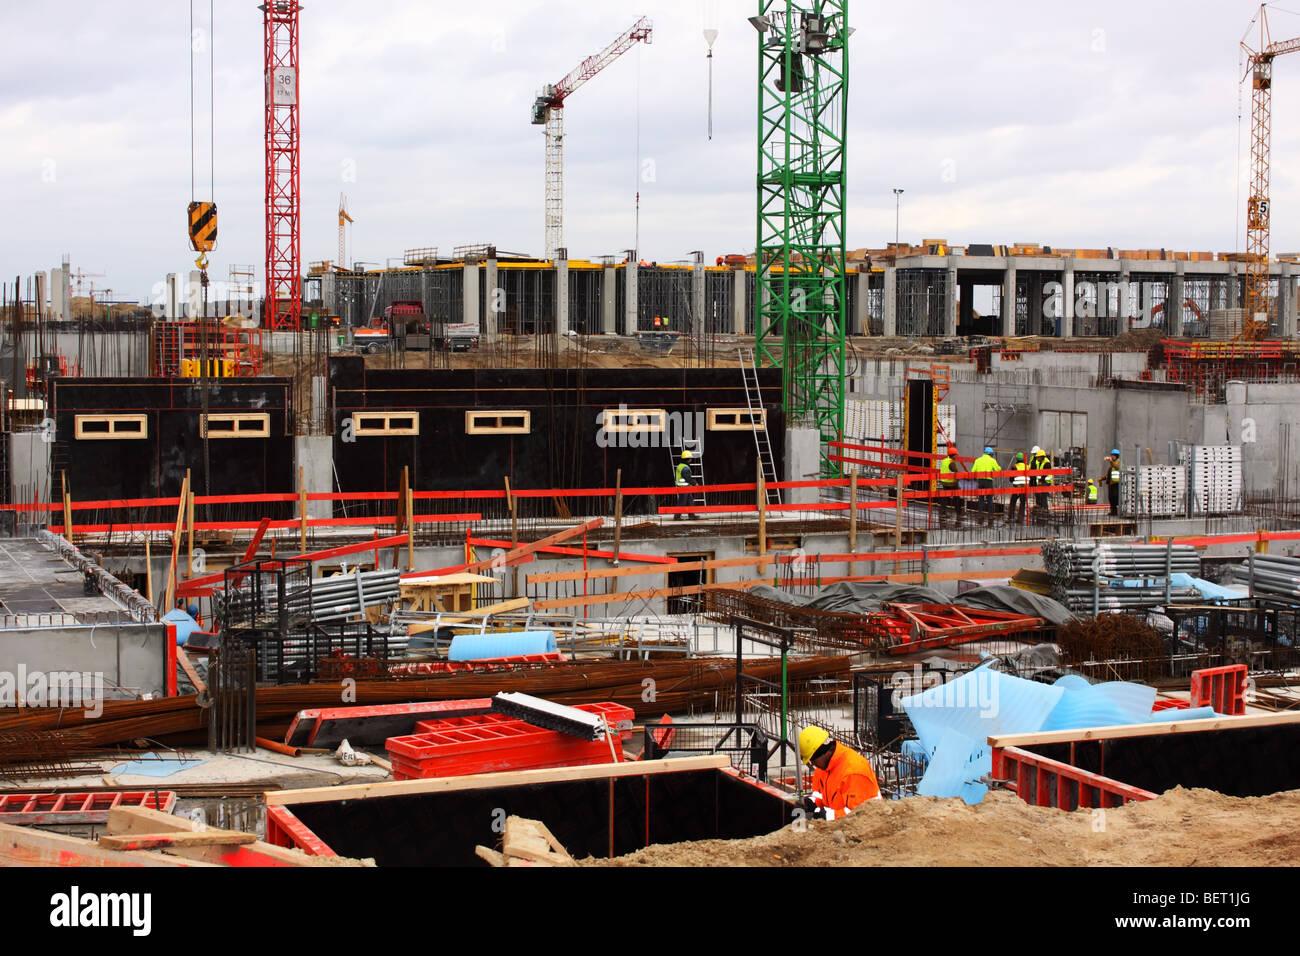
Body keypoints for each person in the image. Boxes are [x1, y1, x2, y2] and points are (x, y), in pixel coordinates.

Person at [798, 725, 880, 820]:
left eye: (813, 759)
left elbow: (860, 814)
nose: (813, 764)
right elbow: (820, 795)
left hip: (867, 828)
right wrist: (811, 803)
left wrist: (826, 816)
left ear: (826, 752)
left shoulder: (854, 771)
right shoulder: (822, 768)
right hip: (838, 827)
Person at [971, 446, 1000, 525]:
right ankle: (990, 515)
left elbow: (973, 471)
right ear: (991, 454)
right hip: (988, 481)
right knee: (989, 499)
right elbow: (998, 469)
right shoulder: (992, 460)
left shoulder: (978, 460)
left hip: (980, 481)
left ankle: (980, 514)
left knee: (981, 498)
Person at [937, 445, 963, 525]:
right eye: (956, 455)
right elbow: (956, 472)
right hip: (951, 482)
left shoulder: (944, 461)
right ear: (954, 455)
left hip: (944, 482)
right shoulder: (951, 463)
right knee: (956, 498)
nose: (956, 457)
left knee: (945, 498)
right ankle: (959, 513)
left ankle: (943, 513)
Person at [1029, 445, 1054, 520]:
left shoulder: (1047, 463)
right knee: (1039, 495)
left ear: (1041, 457)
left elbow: (1045, 474)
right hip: (1040, 482)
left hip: (1046, 482)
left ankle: (1045, 509)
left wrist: (1041, 481)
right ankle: (1041, 507)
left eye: (1038, 457)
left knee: (1043, 496)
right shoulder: (1038, 462)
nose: (1037, 459)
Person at [673, 450, 695, 520]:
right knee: (682, 502)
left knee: (690, 502)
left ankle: (691, 516)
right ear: (687, 459)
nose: (691, 459)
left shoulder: (681, 466)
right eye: (690, 458)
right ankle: (677, 517)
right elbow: (687, 478)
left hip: (685, 487)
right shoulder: (685, 468)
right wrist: (695, 483)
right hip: (684, 488)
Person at [1008, 452, 1028, 523]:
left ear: (1017, 459)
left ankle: (1011, 516)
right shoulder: (1027, 467)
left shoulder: (1014, 467)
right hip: (1025, 488)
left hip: (1017, 488)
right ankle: (1020, 518)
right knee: (1022, 503)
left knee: (1013, 502)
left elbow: (1011, 479)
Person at [1102, 448, 1122, 517]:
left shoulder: (1119, 462)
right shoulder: (1111, 465)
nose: (1112, 457)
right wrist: (1102, 478)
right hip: (1111, 484)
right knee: (1111, 498)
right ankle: (1113, 511)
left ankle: (1118, 511)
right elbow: (1109, 474)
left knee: (1115, 497)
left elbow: (1116, 467)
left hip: (1117, 484)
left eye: (1113, 455)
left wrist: (1110, 461)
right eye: (1112, 455)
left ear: (1116, 456)